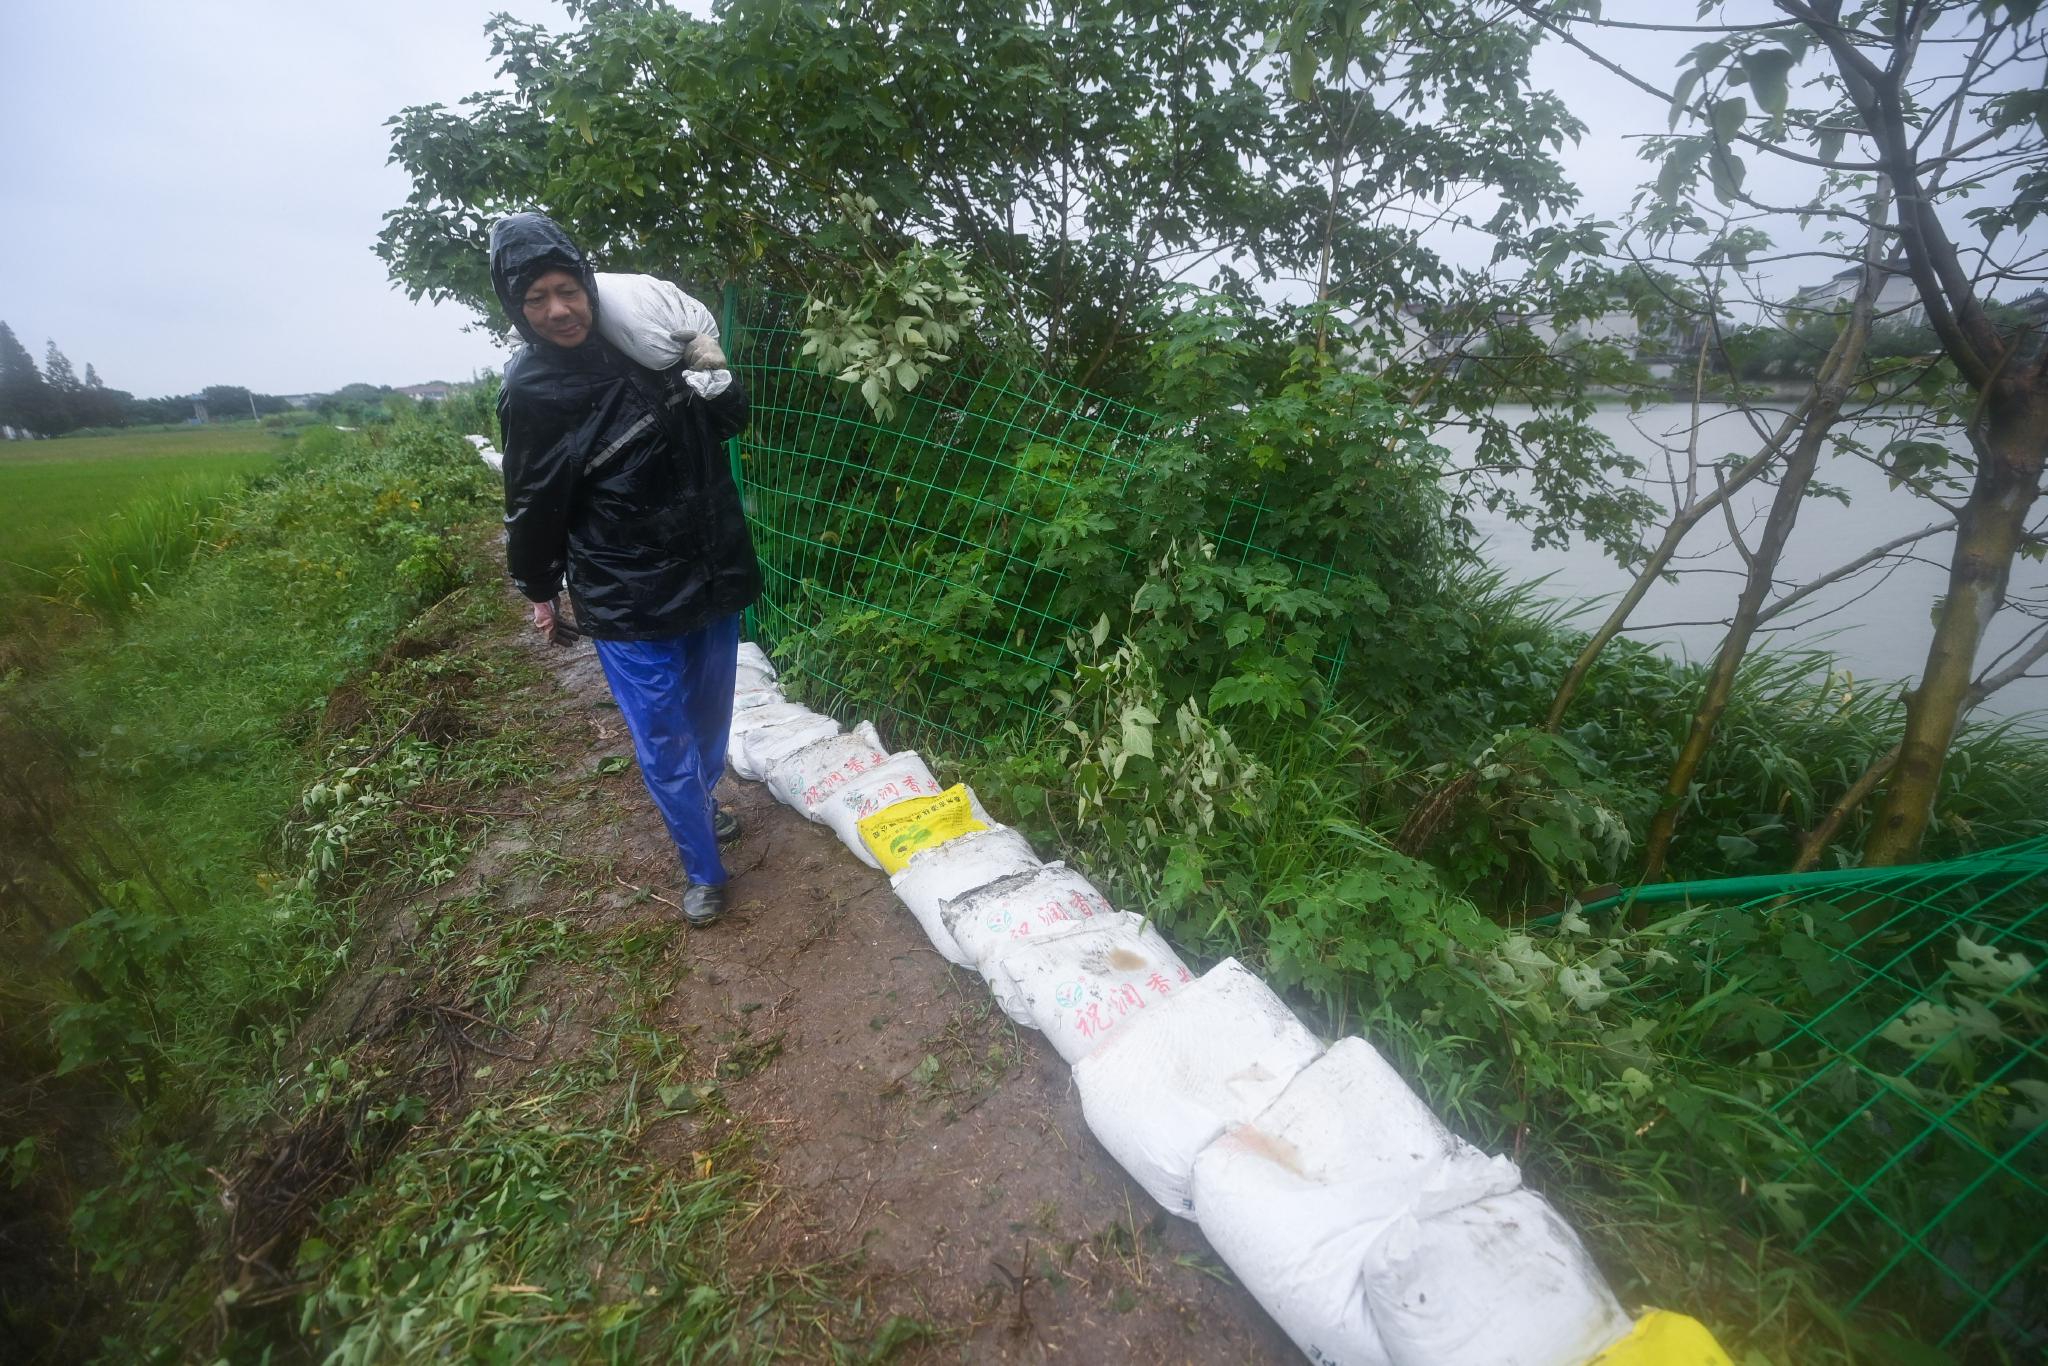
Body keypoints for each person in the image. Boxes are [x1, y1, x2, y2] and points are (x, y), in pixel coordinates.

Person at [489, 212, 761, 927]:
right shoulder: (533, 390)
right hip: (625, 589)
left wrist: (713, 371)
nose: (557, 310)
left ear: (586, 282)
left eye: (565, 289)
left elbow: (730, 423)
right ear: (516, 310)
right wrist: (540, 588)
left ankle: (702, 808)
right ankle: (701, 866)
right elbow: (532, 500)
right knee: (663, 733)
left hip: (709, 563)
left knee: (708, 718)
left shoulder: (646, 341)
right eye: (535, 299)